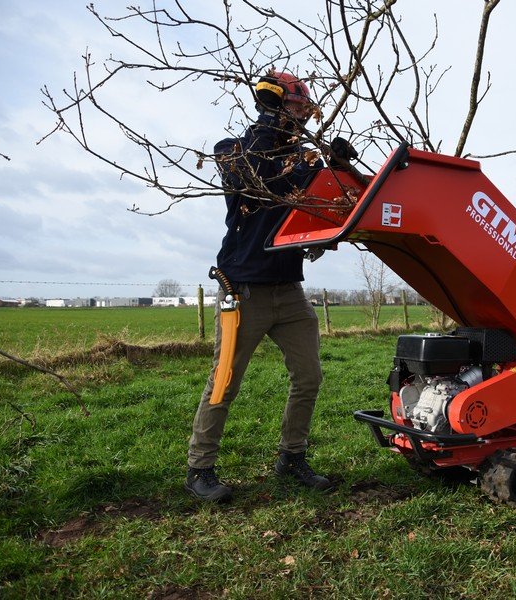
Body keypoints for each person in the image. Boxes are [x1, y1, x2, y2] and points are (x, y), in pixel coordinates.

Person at [185, 70, 332, 501]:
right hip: (243, 290)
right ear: (273, 104)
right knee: (224, 380)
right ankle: (199, 469)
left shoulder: (306, 160)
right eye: (298, 107)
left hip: (288, 291)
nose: (304, 116)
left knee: (309, 376)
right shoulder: (234, 152)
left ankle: (292, 456)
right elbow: (258, 180)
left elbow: (327, 205)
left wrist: (337, 168)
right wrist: (277, 134)